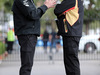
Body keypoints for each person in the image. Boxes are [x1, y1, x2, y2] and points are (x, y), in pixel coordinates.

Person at [12, 0, 56, 75]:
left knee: (27, 64)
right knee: (27, 66)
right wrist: (45, 6)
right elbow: (33, 14)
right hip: (27, 35)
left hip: (29, 34)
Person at [54, 0, 84, 75]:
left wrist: (62, 12)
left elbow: (57, 9)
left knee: (71, 62)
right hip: (71, 33)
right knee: (70, 61)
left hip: (71, 33)